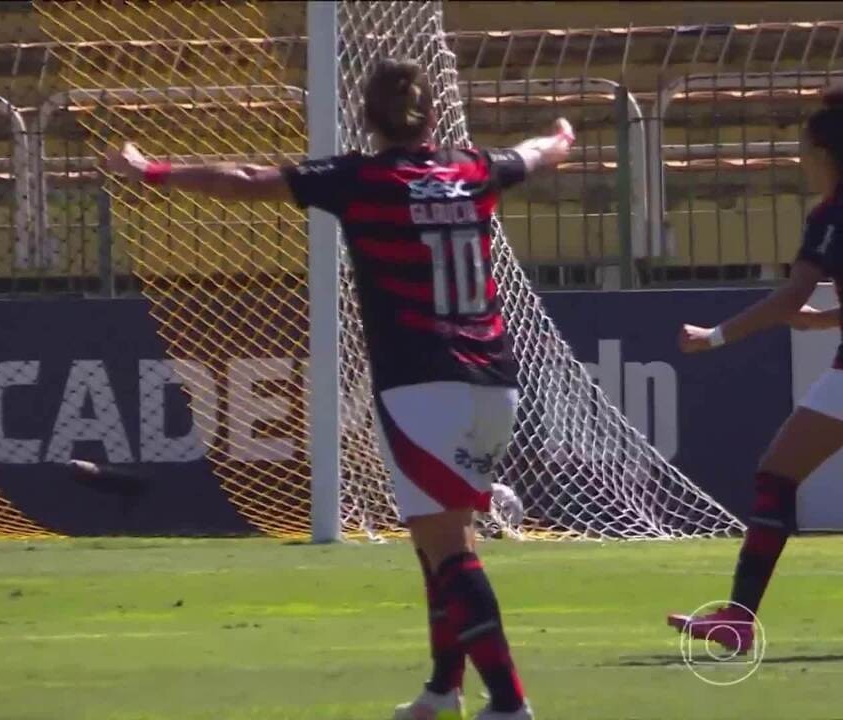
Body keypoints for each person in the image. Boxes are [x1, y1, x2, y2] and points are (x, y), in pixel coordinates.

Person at [104, 58, 574, 720]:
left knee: (448, 551)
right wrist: (562, 138)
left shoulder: (361, 179)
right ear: (433, 116)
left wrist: (153, 170)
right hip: (495, 381)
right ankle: (445, 689)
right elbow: (535, 153)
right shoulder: (471, 169)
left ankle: (510, 702)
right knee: (437, 542)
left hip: (422, 383)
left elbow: (245, 180)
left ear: (366, 119)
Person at [667, 86, 843, 653]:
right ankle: (737, 618)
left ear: (824, 153)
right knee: (777, 472)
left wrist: (714, 335)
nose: (798, 161)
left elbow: (789, 298)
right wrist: (827, 322)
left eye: (803, 150)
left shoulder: (831, 215)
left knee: (775, 475)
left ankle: (740, 619)